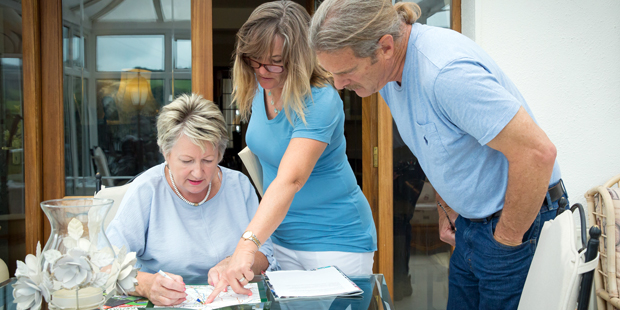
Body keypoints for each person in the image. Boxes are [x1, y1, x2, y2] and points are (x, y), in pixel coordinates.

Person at [309, 1, 567, 309]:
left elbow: (537, 153)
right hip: (475, 226)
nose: (339, 84)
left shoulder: (445, 72)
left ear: (385, 47)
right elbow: (434, 143)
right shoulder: (389, 75)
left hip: (518, 225)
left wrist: (506, 241)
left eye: (346, 71)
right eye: (332, 73)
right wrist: (447, 206)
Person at [206, 1, 377, 302]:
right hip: (283, 238)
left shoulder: (320, 100)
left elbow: (290, 180)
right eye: (253, 60)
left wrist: (247, 245)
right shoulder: (262, 89)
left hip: (335, 238)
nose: (261, 70)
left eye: (274, 62)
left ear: (298, 58)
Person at [106, 94, 278, 306]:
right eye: (187, 161)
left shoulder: (239, 186)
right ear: (166, 153)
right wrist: (145, 284)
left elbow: (266, 254)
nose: (198, 172)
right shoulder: (147, 189)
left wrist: (239, 263)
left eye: (208, 160)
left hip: (230, 302)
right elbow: (107, 260)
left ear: (220, 154)